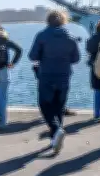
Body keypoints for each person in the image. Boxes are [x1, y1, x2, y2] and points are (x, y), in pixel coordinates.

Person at [28, 9, 80, 154]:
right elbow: (76, 59)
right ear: (63, 20)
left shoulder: (42, 36)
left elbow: (33, 56)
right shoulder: (70, 37)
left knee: (44, 104)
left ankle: (56, 130)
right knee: (59, 107)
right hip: (64, 76)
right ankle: (55, 139)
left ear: (48, 21)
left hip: (47, 76)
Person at [86, 21, 100, 120]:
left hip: (94, 66)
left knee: (97, 90)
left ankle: (97, 114)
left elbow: (88, 50)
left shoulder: (91, 39)